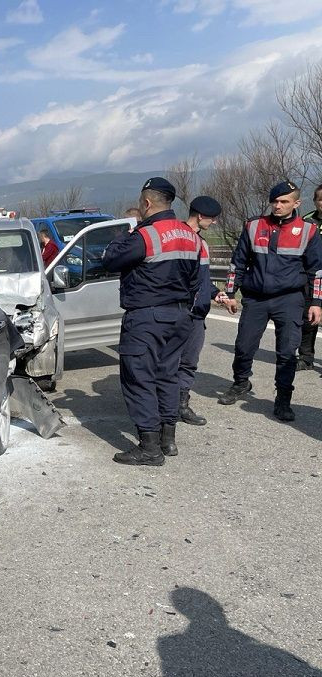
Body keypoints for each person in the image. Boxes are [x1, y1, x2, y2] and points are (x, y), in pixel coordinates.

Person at [102, 177, 201, 465]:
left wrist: (127, 231)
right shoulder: (190, 235)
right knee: (168, 375)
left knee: (139, 377)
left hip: (147, 316)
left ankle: (149, 447)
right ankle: (168, 440)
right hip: (181, 315)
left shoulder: (146, 235)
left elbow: (110, 259)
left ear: (146, 203)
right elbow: (196, 279)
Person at [219, 181, 322, 420]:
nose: (278, 205)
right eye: (274, 201)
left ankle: (283, 399)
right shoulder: (254, 225)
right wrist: (231, 294)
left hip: (290, 299)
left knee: (287, 352)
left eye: (284, 201)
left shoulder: (308, 231)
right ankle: (241, 383)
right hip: (255, 298)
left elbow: (316, 270)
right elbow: (238, 262)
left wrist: (316, 302)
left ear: (296, 203)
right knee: (244, 347)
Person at [177, 196, 225, 426]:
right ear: (200, 216)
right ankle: (165, 406)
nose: (214, 223)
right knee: (170, 362)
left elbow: (202, 278)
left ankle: (181, 405)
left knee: (189, 362)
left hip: (197, 314)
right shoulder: (180, 239)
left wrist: (217, 294)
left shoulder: (202, 242)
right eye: (212, 218)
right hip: (181, 313)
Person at [297, 184, 322, 370]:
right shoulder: (306, 222)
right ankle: (306, 358)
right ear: (315, 201)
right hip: (311, 278)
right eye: (320, 199)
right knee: (308, 318)